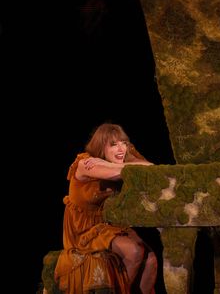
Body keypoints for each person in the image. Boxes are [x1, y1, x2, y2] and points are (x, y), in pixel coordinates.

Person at [54, 123, 158, 294]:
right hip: (83, 230)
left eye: (123, 143)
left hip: (106, 224)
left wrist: (118, 162)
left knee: (151, 259)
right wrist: (116, 166)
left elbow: (152, 168)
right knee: (134, 251)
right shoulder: (85, 163)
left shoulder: (118, 157)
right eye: (113, 144)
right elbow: (117, 173)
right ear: (100, 147)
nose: (121, 149)